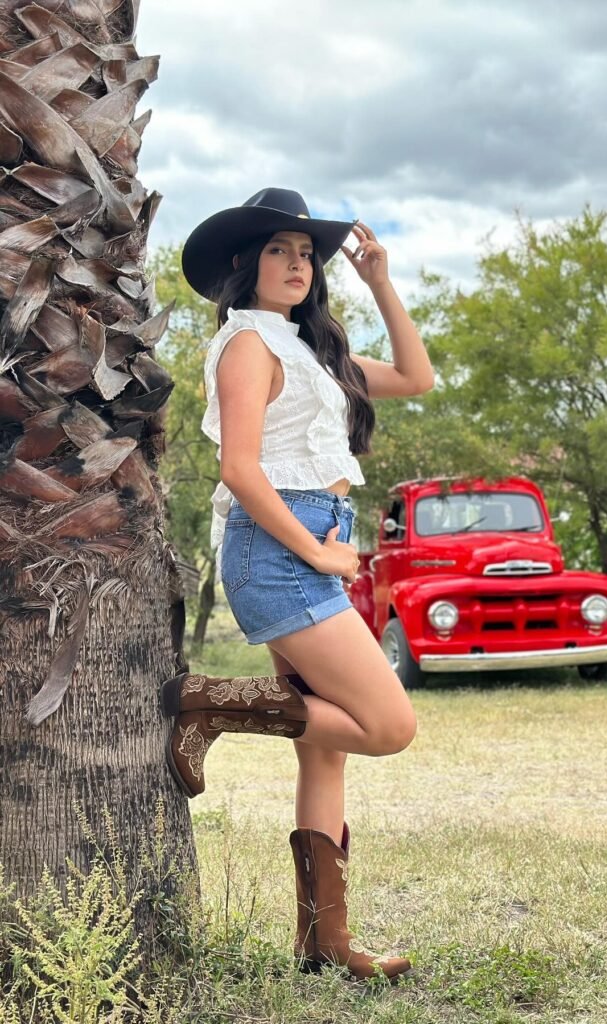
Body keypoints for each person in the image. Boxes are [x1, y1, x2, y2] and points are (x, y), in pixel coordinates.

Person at [162, 187, 434, 983]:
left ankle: (323, 944)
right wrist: (317, 557)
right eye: (279, 249)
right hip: (280, 551)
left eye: (306, 253)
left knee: (325, 756)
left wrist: (380, 280)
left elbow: (417, 377)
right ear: (244, 264)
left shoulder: (309, 347)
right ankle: (211, 702)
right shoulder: (249, 343)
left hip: (311, 542)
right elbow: (239, 470)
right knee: (387, 726)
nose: (297, 264)